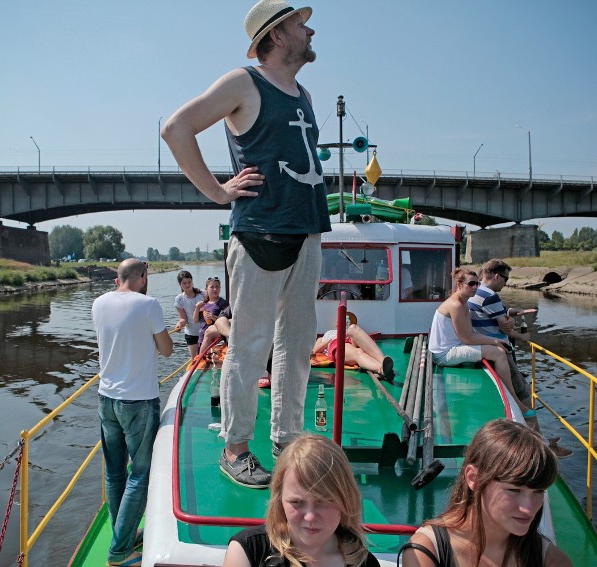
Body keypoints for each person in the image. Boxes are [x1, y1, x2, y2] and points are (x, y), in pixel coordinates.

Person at [162, 0, 330, 489]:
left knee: (298, 345)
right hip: (259, 230)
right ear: (277, 35)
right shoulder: (244, 82)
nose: (310, 29)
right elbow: (176, 128)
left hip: (307, 228)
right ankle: (236, 449)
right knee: (250, 344)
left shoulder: (303, 93)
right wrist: (218, 192)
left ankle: (287, 438)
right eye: (302, 24)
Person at [92, 258, 174, 566]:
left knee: (114, 473)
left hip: (106, 399)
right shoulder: (149, 304)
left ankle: (121, 534)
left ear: (117, 279)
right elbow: (166, 350)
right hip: (138, 400)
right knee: (140, 474)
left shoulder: (98, 304)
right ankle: (120, 550)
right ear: (142, 277)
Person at [402, 419, 573, 567]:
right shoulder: (427, 551)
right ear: (473, 478)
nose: (529, 509)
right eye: (514, 490)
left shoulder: (552, 560)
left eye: (538, 492)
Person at [223, 434, 381, 567]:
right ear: (280, 501)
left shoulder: (365, 563)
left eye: (324, 502)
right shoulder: (248, 552)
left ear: (346, 500)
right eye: (297, 502)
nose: (310, 516)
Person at [469, 259, 572, 458]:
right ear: (497, 276)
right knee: (524, 399)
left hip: (489, 349)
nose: (506, 284)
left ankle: (540, 440)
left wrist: (510, 314)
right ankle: (542, 448)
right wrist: (518, 329)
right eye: (505, 279)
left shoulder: (478, 292)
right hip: (500, 352)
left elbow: (498, 316)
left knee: (520, 398)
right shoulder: (490, 296)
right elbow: (505, 326)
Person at [428, 268, 533, 416]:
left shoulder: (463, 302)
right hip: (444, 354)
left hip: (453, 346)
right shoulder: (456, 305)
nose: (475, 287)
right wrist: (496, 341)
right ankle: (516, 402)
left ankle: (512, 397)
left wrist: (494, 341)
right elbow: (467, 338)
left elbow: (469, 334)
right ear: (459, 284)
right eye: (471, 284)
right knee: (499, 353)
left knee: (498, 347)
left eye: (477, 283)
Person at [312, 323, 395, 379]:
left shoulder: (345, 331)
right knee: (358, 352)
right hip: (336, 343)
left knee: (353, 328)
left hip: (348, 340)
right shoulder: (322, 337)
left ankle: (382, 361)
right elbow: (316, 350)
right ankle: (380, 369)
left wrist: (347, 335)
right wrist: (331, 339)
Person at [173, 270, 203, 359]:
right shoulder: (179, 299)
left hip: (205, 331)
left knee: (205, 359)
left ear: (192, 281)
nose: (187, 285)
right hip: (191, 333)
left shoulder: (202, 294)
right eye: (184, 283)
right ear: (180, 284)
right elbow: (183, 318)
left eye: (189, 282)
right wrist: (179, 324)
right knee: (195, 360)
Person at [194, 276, 230, 350]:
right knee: (200, 359)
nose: (215, 289)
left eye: (217, 287)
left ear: (220, 288)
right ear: (206, 288)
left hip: (214, 341)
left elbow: (227, 322)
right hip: (201, 339)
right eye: (212, 287)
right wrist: (197, 308)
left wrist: (214, 317)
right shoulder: (205, 303)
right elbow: (196, 321)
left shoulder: (223, 303)